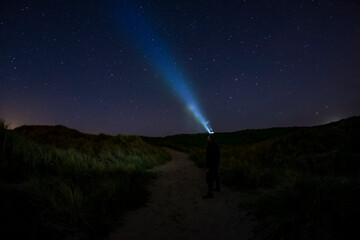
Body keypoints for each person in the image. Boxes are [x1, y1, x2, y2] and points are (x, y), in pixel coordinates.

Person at [203, 133, 220, 199]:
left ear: (210, 138)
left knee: (209, 180)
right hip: (216, 165)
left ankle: (210, 194)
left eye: (208, 137)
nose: (207, 138)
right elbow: (217, 156)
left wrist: (207, 167)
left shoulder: (209, 145)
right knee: (216, 177)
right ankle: (218, 188)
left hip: (211, 166)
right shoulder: (216, 145)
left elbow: (209, 157)